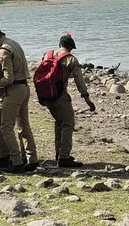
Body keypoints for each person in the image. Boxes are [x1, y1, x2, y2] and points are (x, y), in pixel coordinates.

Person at [0, 21, 38, 173]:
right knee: (22, 126)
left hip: (12, 90)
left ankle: (16, 161)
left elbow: (8, 78)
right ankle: (31, 159)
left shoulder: (3, 50)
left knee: (4, 127)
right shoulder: (12, 43)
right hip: (23, 88)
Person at [38, 34, 95, 167]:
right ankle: (64, 157)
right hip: (60, 95)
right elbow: (79, 81)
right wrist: (87, 99)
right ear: (70, 48)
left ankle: (59, 153)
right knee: (68, 123)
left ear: (59, 45)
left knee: (59, 122)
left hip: (46, 95)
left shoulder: (47, 55)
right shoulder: (70, 59)